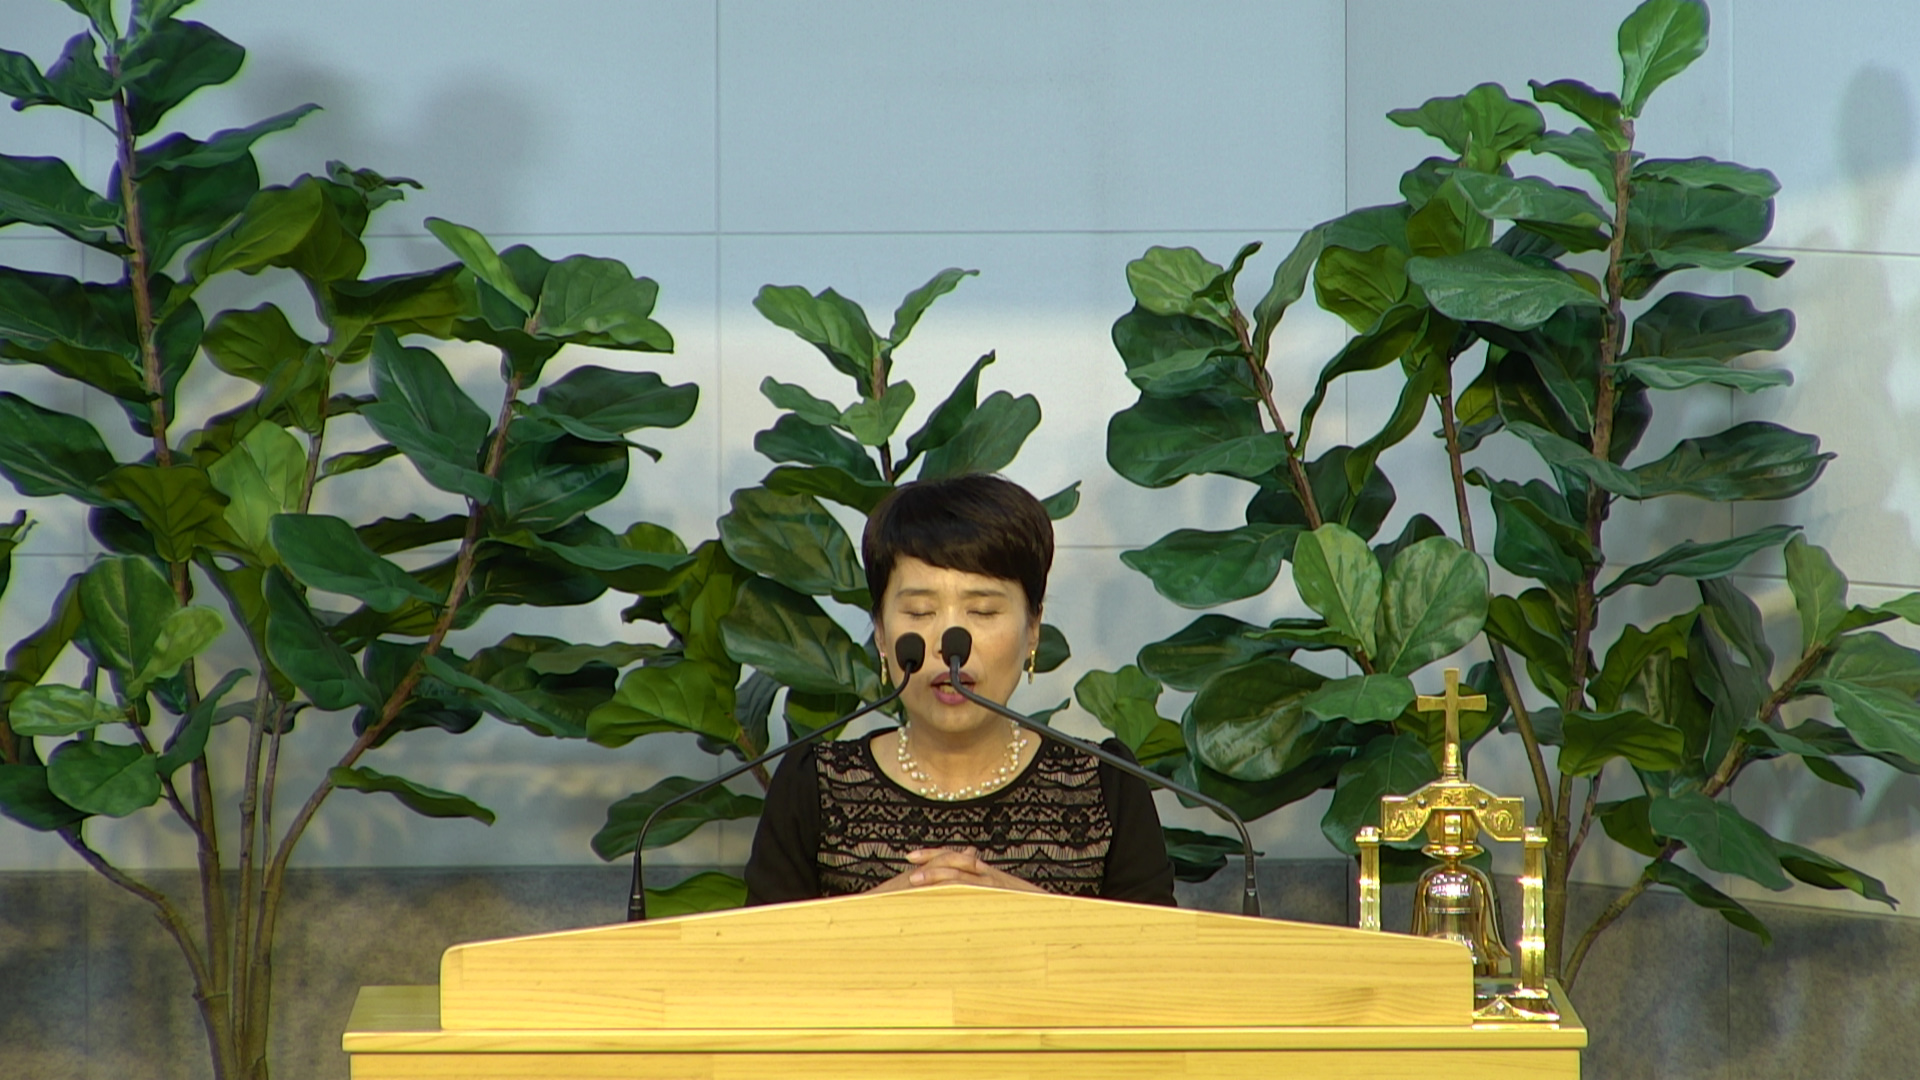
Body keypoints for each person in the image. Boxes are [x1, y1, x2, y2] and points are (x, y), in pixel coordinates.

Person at [744, 473, 1177, 906]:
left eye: (983, 611)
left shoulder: (1106, 785)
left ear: (1032, 629)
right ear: (881, 635)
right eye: (920, 611)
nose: (950, 643)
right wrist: (877, 914)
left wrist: (1028, 909)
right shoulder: (814, 786)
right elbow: (761, 948)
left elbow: (1154, 947)